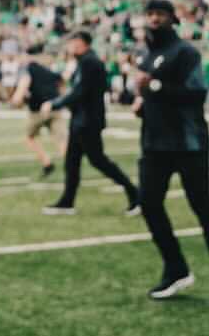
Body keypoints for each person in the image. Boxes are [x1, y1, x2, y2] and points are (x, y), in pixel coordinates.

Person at [134, 0, 209, 300]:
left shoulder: (185, 52)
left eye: (160, 14)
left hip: (187, 142)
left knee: (201, 205)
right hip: (155, 141)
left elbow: (196, 93)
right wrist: (142, 103)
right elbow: (153, 95)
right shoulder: (149, 54)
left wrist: (154, 87)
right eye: (150, 14)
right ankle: (176, 269)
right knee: (148, 202)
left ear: (172, 18)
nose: (154, 19)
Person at [41, 31, 140, 216]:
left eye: (72, 44)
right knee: (72, 162)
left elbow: (80, 92)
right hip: (81, 119)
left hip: (87, 121)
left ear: (81, 43)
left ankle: (135, 193)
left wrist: (55, 104)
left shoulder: (90, 62)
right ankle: (67, 201)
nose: (69, 48)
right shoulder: (84, 62)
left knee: (99, 161)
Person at [12, 45, 66, 178]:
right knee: (61, 140)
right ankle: (70, 168)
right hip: (55, 108)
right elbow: (62, 81)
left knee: (30, 138)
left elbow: (21, 90)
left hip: (37, 111)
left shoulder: (29, 69)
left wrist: (16, 100)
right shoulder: (49, 69)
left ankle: (46, 162)